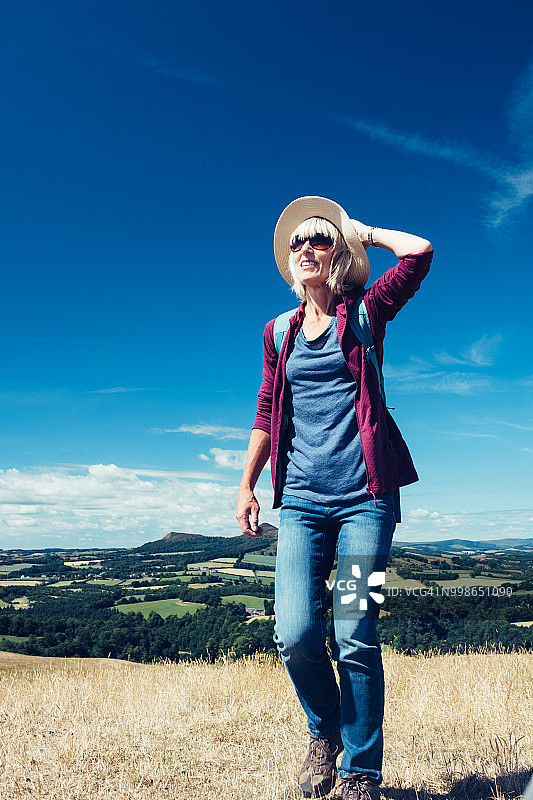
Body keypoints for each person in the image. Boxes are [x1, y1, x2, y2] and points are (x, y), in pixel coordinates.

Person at [236, 196, 433, 800]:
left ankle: (360, 773)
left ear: (337, 255)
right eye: (297, 242)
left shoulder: (366, 314)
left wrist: (361, 231)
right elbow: (267, 411)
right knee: (295, 632)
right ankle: (324, 732)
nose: (305, 249)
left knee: (354, 630)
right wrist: (246, 483)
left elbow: (419, 253)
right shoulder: (278, 333)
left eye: (318, 240)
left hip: (366, 503)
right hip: (300, 503)